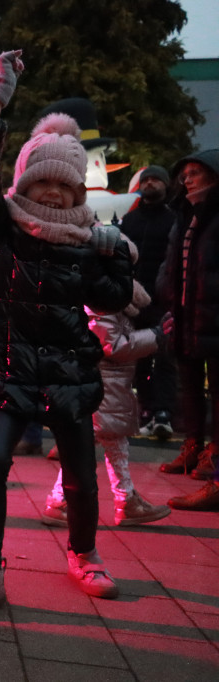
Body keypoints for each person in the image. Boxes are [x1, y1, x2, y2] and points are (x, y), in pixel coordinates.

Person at [0, 50, 133, 620]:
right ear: (24, 182)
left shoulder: (88, 240)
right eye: (40, 180)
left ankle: (85, 553)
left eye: (63, 187)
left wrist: (113, 252)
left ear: (78, 195)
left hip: (69, 369)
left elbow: (113, 298)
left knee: (79, 470)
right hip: (9, 365)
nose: (51, 193)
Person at [41, 256, 173, 527]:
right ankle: (66, 500)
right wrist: (155, 337)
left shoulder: (110, 298)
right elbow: (112, 346)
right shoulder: (104, 302)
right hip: (104, 385)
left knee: (110, 445)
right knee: (95, 445)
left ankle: (123, 500)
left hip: (109, 385)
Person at [157, 150, 219, 510]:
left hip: (212, 314)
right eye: (185, 174)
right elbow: (171, 261)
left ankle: (214, 455)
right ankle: (193, 447)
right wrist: (167, 294)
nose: (188, 179)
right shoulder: (183, 215)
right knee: (190, 384)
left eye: (196, 172)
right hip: (185, 313)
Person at [121, 165, 178, 440]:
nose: (151, 183)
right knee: (137, 359)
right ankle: (146, 411)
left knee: (166, 358)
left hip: (165, 301)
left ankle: (164, 412)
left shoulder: (175, 221)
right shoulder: (130, 221)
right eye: (147, 179)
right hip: (134, 301)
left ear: (166, 185)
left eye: (156, 179)